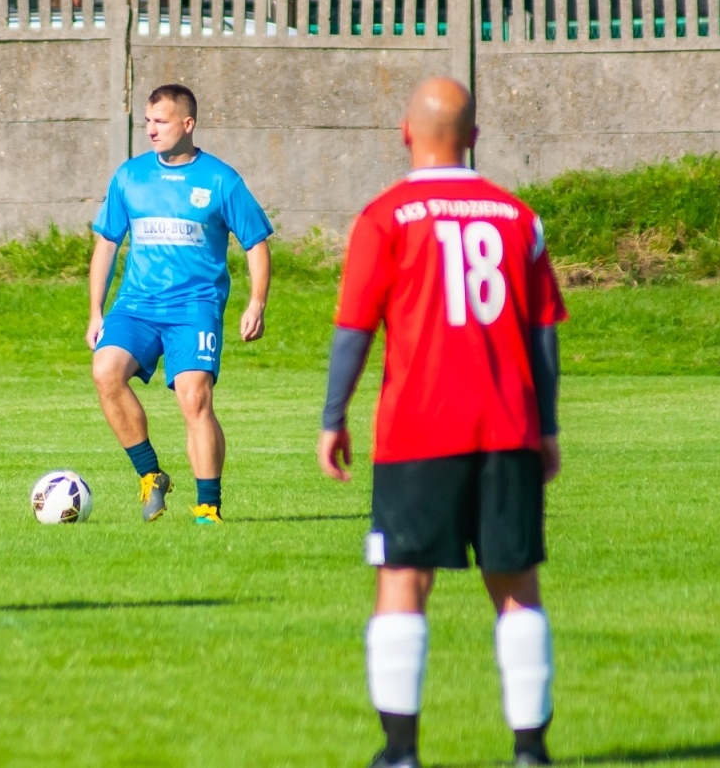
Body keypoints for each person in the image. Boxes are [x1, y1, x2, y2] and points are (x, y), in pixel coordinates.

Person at [319, 77, 566, 767]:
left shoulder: (386, 216)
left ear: (406, 132)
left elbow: (353, 328)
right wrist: (546, 427)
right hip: (508, 426)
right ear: (475, 138)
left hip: (417, 432)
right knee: (516, 584)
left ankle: (399, 753)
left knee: (402, 580)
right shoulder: (519, 218)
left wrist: (333, 416)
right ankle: (530, 752)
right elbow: (543, 332)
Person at [87, 84, 273, 524]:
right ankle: (151, 475)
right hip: (137, 304)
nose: (151, 130)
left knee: (194, 399)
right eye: (147, 121)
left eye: (161, 121)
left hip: (195, 307)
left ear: (187, 124)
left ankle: (208, 507)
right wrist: (95, 310)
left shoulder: (220, 179)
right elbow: (106, 243)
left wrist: (257, 302)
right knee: (105, 371)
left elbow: (256, 242)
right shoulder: (129, 176)